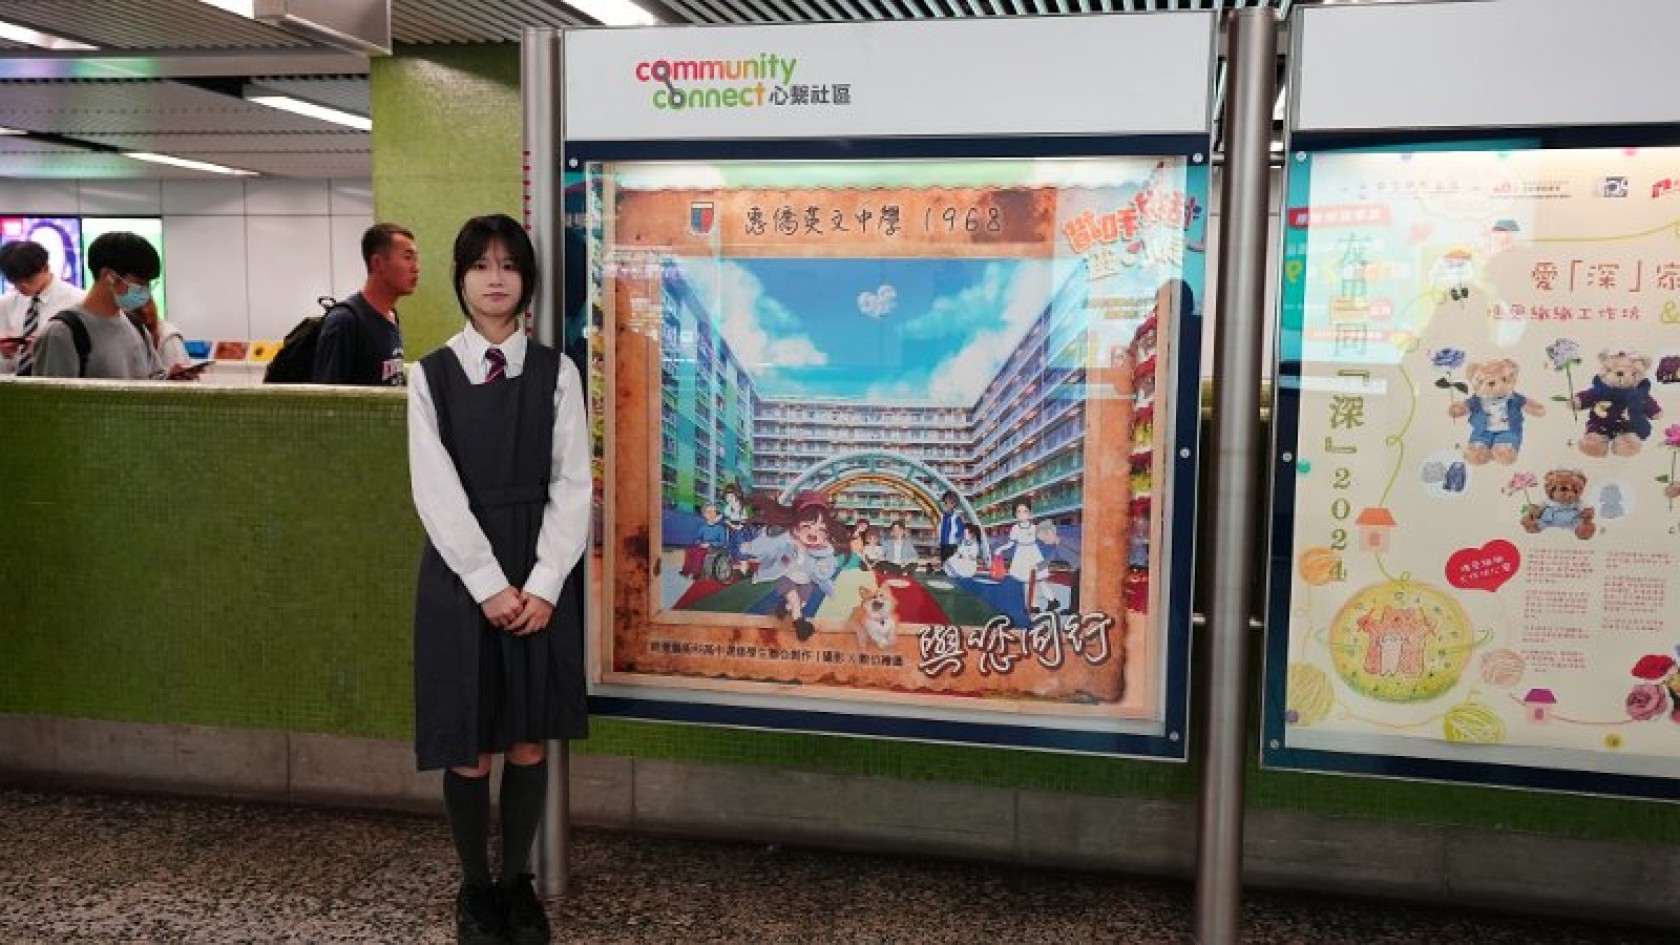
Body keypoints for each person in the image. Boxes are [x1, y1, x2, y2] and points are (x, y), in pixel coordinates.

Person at [408, 214, 590, 945]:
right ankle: (475, 888)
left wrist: (543, 584)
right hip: (462, 575)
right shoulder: (429, 375)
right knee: (468, 742)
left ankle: (517, 882)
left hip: (539, 569)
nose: (494, 278)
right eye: (480, 265)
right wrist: (488, 583)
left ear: (527, 281)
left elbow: (572, 484)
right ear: (459, 277)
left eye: (509, 265)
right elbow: (433, 489)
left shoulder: (557, 372)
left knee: (528, 738)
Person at [30, 231, 167, 380]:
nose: (145, 290)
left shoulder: (136, 326)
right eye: (139, 283)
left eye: (148, 284)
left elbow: (154, 379)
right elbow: (53, 393)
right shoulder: (62, 333)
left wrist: (173, 379)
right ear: (108, 276)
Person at [313, 222, 417, 386]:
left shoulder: (392, 316)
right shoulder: (344, 321)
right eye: (408, 258)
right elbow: (327, 396)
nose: (416, 267)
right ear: (378, 263)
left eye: (416, 258)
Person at [0, 239, 83, 376]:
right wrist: (4, 354)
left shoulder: (77, 302)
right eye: (16, 282)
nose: (23, 287)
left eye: (29, 280)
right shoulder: (5, 303)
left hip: (57, 383)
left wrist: (48, 350)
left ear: (46, 268)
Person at [935, 490, 964, 564]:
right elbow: (939, 530)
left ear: (953, 504)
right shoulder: (942, 517)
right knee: (944, 564)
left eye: (947, 502)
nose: (945, 505)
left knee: (951, 564)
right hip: (943, 544)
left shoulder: (956, 518)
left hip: (952, 546)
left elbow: (960, 534)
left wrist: (958, 545)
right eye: (944, 502)